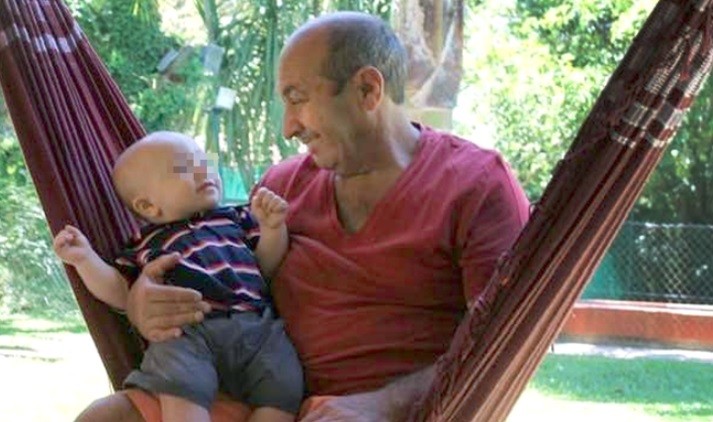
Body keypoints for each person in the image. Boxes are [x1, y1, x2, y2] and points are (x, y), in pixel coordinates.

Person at [75, 11, 530, 422]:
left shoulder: (476, 185)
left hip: (396, 409)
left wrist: (382, 405)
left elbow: (502, 341)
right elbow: (226, 272)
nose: (288, 126)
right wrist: (141, 303)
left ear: (367, 90)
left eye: (297, 99)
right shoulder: (281, 187)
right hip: (255, 394)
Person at [56, 132, 303, 422]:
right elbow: (121, 291)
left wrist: (273, 229)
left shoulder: (236, 219)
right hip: (189, 332)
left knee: (284, 388)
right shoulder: (148, 245)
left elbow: (264, 267)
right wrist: (85, 259)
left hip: (257, 327)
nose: (203, 171)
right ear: (148, 206)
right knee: (178, 380)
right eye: (185, 168)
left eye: (204, 162)